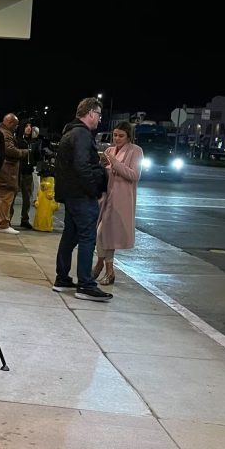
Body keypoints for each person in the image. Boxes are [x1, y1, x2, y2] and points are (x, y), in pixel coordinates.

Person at [52, 97, 113, 302]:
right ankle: (85, 284)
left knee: (70, 235)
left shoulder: (70, 131)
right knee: (87, 237)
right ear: (91, 113)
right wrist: (94, 190)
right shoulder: (82, 134)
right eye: (99, 115)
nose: (99, 119)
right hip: (81, 195)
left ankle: (62, 278)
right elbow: (82, 166)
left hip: (71, 194)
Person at [93, 121, 143, 284]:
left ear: (128, 136)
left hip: (122, 199)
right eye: (115, 135)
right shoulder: (109, 150)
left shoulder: (135, 151)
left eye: (121, 135)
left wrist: (115, 163)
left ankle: (105, 267)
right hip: (107, 196)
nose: (117, 138)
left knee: (106, 233)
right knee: (102, 233)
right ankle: (105, 267)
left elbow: (134, 175)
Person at [0, 113, 29, 233]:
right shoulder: (6, 133)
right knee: (6, 198)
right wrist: (25, 152)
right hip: (7, 171)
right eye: (16, 125)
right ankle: (4, 224)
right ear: (11, 123)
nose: (16, 127)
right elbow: (10, 150)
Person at [15, 121, 39, 228]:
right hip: (17, 171)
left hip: (28, 173)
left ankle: (24, 219)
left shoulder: (34, 142)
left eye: (30, 126)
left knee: (27, 198)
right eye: (26, 126)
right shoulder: (17, 140)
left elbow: (38, 156)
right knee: (12, 196)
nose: (29, 128)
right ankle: (8, 218)